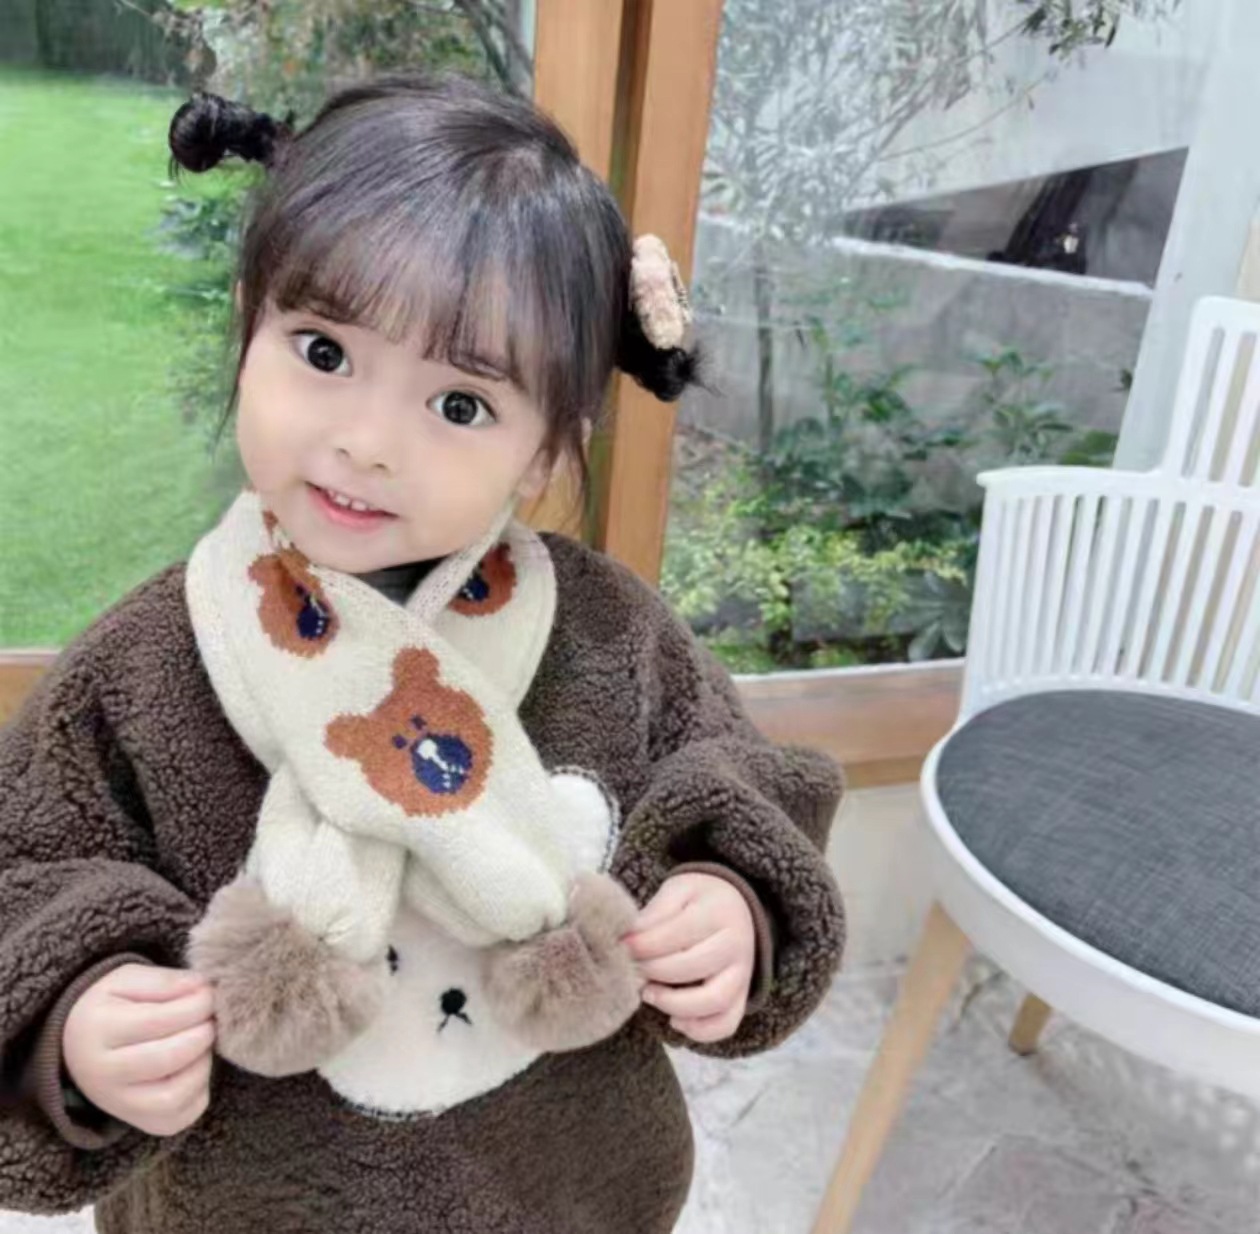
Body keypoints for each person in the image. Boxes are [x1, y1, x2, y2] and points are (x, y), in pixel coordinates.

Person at [0, 74, 845, 1233]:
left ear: (545, 451)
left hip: (570, 1194)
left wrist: (729, 897)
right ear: (247, 326)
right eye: (323, 350)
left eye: (458, 406)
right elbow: (27, 873)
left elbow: (739, 779)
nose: (366, 442)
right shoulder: (142, 671)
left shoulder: (612, 634)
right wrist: (78, 1021)